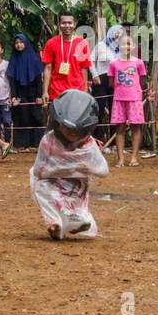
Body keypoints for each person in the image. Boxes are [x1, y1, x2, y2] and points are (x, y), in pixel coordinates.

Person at [30, 89, 108, 240]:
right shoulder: (49, 141)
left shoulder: (88, 145)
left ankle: (73, 220)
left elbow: (103, 170)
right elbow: (39, 171)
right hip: (52, 183)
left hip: (76, 187)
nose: (71, 133)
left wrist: (77, 167)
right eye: (67, 129)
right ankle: (55, 223)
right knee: (39, 185)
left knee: (80, 216)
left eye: (75, 130)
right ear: (58, 123)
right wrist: (68, 168)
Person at [108, 31, 149, 167]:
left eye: (129, 44)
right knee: (119, 128)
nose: (126, 46)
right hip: (118, 99)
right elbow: (111, 82)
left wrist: (135, 91)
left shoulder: (138, 63)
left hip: (135, 99)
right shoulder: (113, 63)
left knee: (135, 127)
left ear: (133, 46)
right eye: (123, 44)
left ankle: (134, 157)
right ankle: (120, 159)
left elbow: (142, 81)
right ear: (118, 46)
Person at [41, 12, 91, 106]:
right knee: (58, 120)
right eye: (64, 23)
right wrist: (45, 92)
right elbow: (48, 68)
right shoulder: (51, 43)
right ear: (59, 24)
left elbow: (84, 68)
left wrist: (85, 90)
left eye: (70, 23)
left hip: (77, 90)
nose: (67, 25)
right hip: (57, 92)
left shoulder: (82, 43)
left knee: (75, 119)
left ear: (75, 24)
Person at [7, 33, 44, 150]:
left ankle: (37, 143)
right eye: (16, 43)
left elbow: (39, 78)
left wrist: (40, 95)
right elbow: (12, 80)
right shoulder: (13, 59)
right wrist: (13, 96)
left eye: (21, 42)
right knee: (22, 117)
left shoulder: (34, 58)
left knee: (36, 116)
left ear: (26, 43)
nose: (19, 45)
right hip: (20, 94)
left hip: (34, 93)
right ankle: (23, 144)